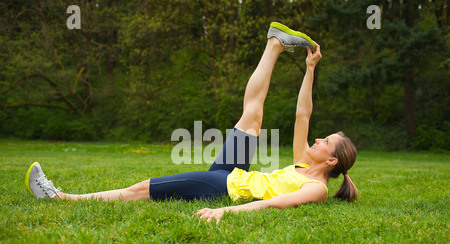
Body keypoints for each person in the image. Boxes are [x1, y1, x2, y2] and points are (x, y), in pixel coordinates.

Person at [25, 22, 358, 224]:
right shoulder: (303, 161)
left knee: (143, 189)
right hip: (235, 174)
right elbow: (303, 114)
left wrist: (223, 213)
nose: (316, 140)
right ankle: (274, 44)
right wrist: (310, 68)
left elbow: (270, 204)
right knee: (252, 118)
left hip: (224, 188)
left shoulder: (315, 189)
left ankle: (60, 198)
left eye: (324, 142)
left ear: (331, 160)